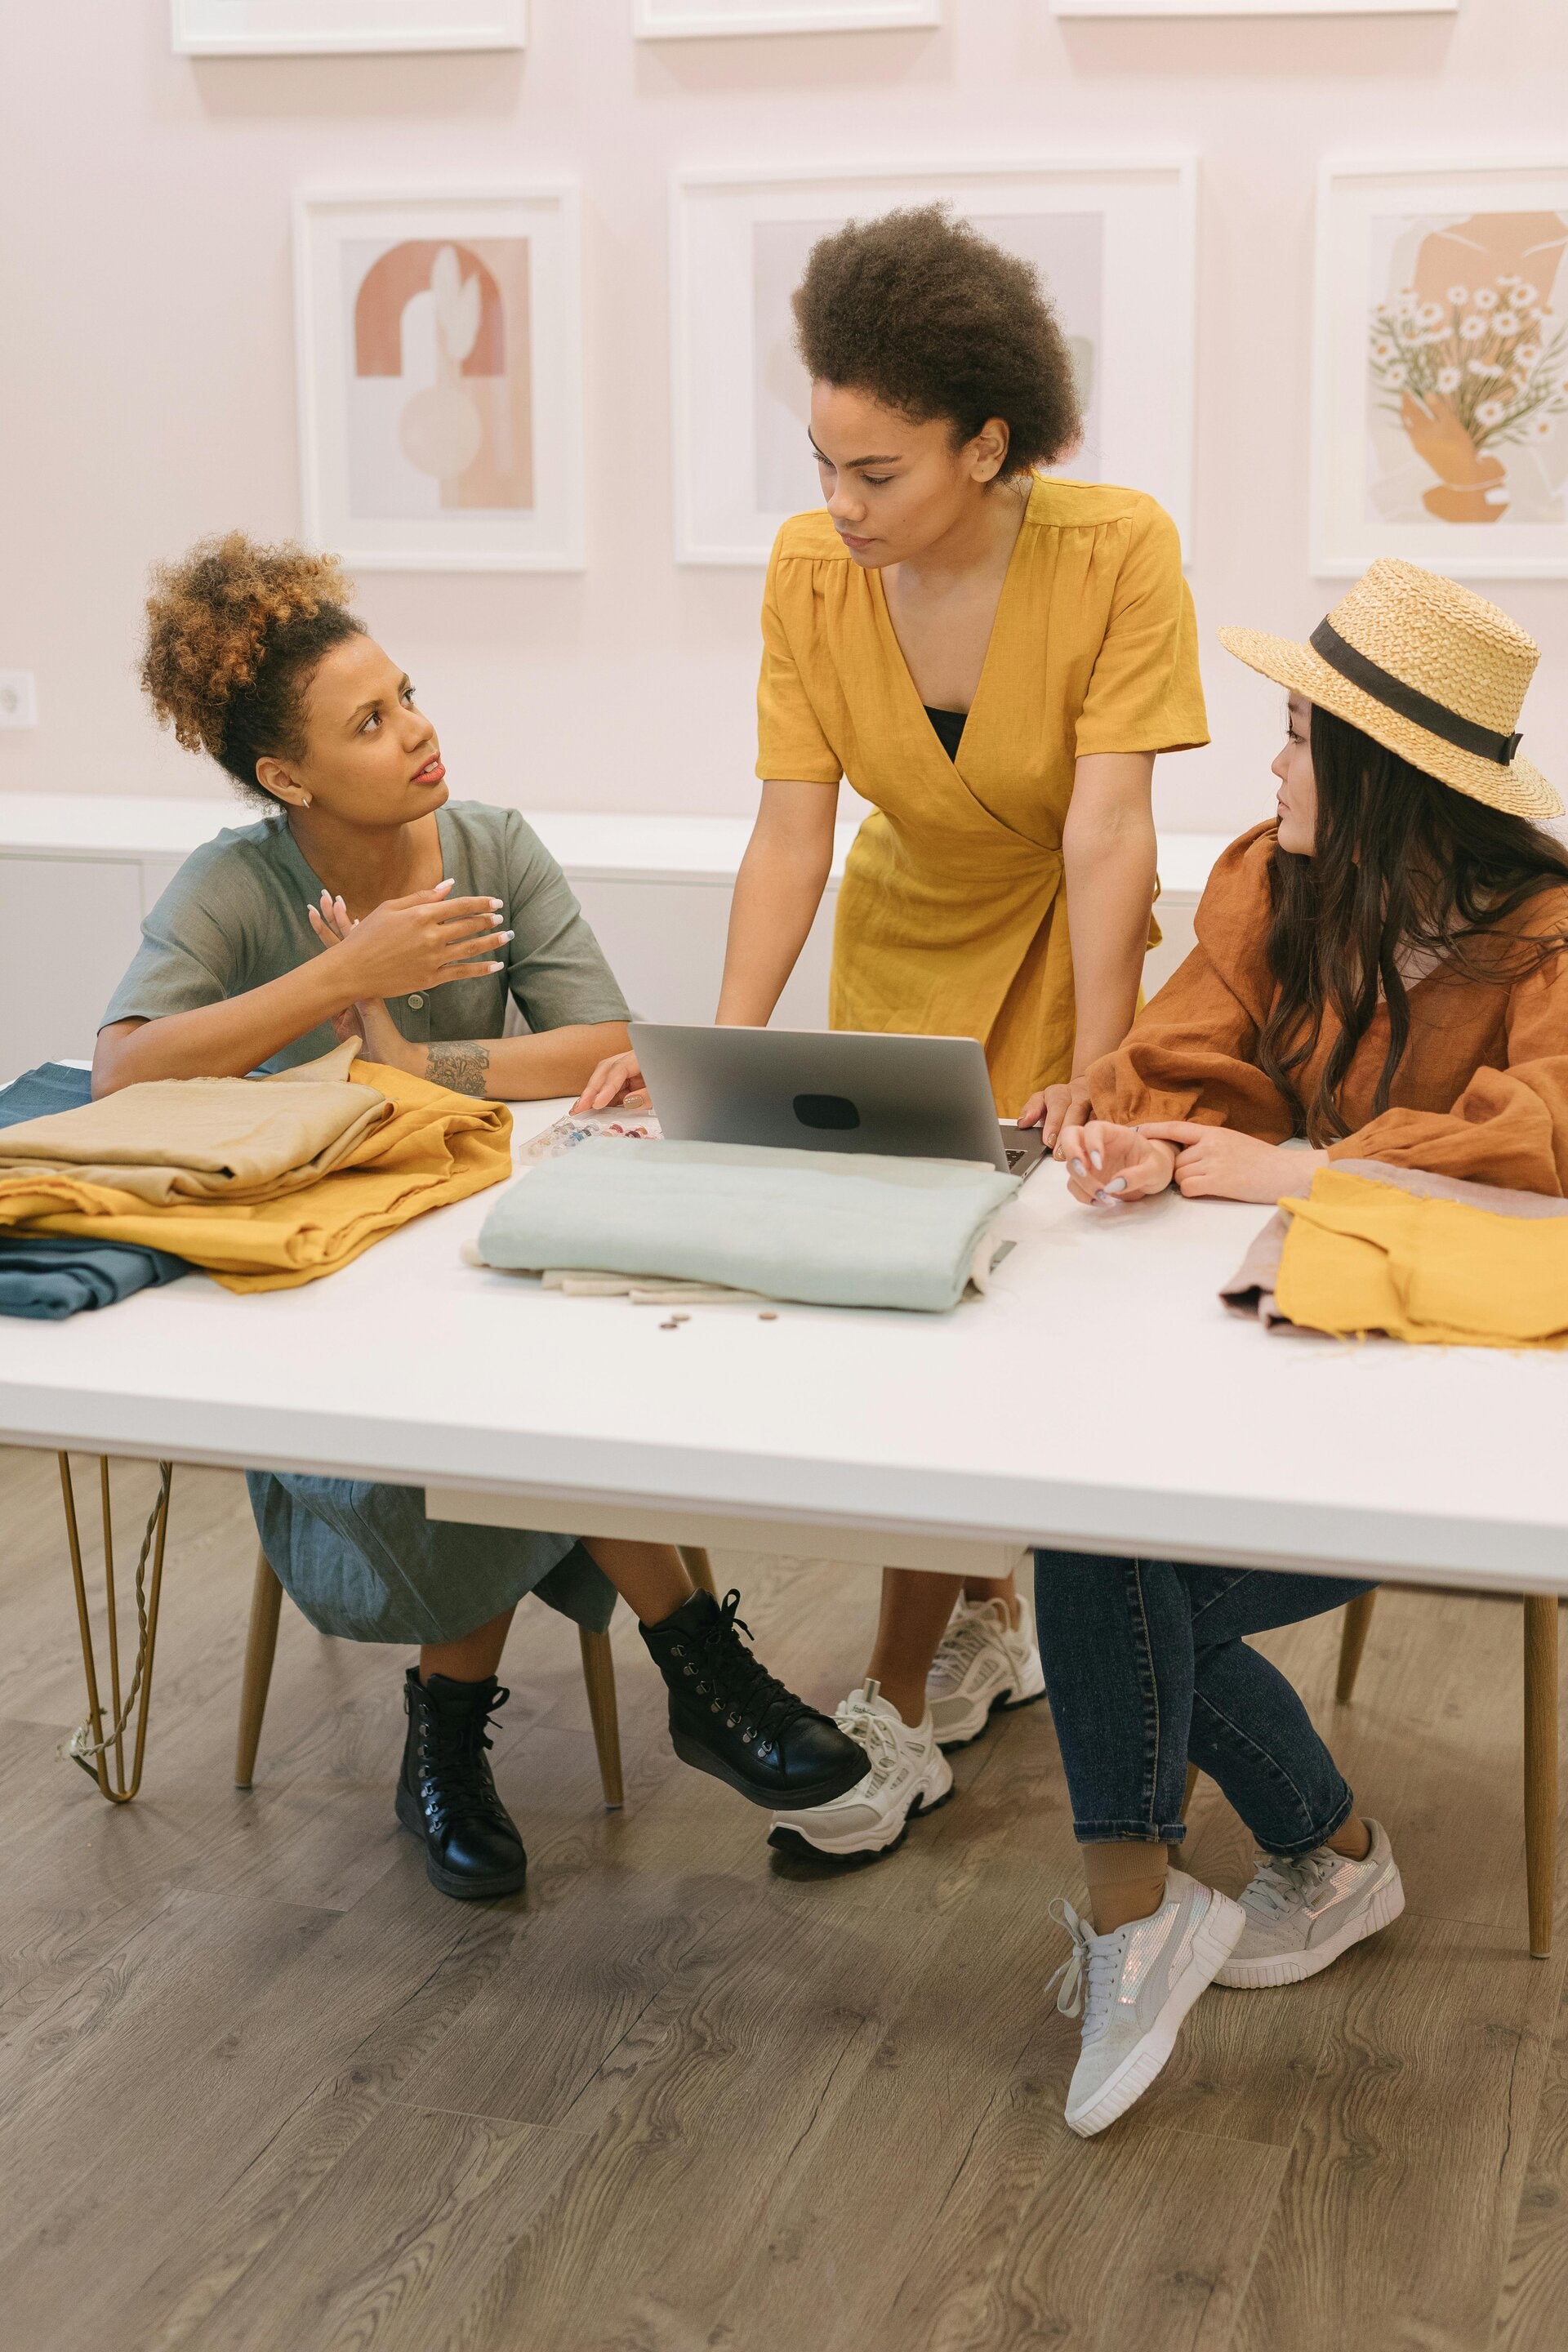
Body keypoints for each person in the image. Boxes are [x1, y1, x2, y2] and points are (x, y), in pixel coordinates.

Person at [96, 532, 867, 1901]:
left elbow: (607, 1043)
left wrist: (415, 1059)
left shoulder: (493, 845)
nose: (417, 731)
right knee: (513, 1406)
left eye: (407, 696)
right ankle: (694, 1665)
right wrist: (341, 974)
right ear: (287, 776)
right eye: (368, 722)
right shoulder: (236, 884)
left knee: (524, 1376)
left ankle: (451, 1741)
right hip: (314, 1313)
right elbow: (122, 1073)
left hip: (466, 1262)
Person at [578, 206, 1209, 1861]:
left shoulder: (1115, 549)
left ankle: (894, 1695)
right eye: (824, 463)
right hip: (899, 948)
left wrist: (1106, 1057)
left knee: (993, 1316)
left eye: (878, 471)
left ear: (988, 444)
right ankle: (974, 1636)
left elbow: (1110, 833)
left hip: (1062, 953)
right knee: (900, 1317)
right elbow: (792, 831)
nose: (841, 504)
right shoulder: (812, 572)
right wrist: (713, 1057)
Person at [1040, 557, 1566, 2136]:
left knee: (1106, 1565)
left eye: (1294, 739)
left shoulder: (1550, 946)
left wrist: (1304, 1173)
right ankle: (1229, 1890)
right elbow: (1189, 1058)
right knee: (1097, 1535)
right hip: (1273, 1352)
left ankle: (1261, 1883)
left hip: (1461, 1398)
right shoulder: (1277, 887)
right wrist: (1139, 1137)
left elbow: (1540, 1157)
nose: (1271, 768)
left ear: (1383, 774)